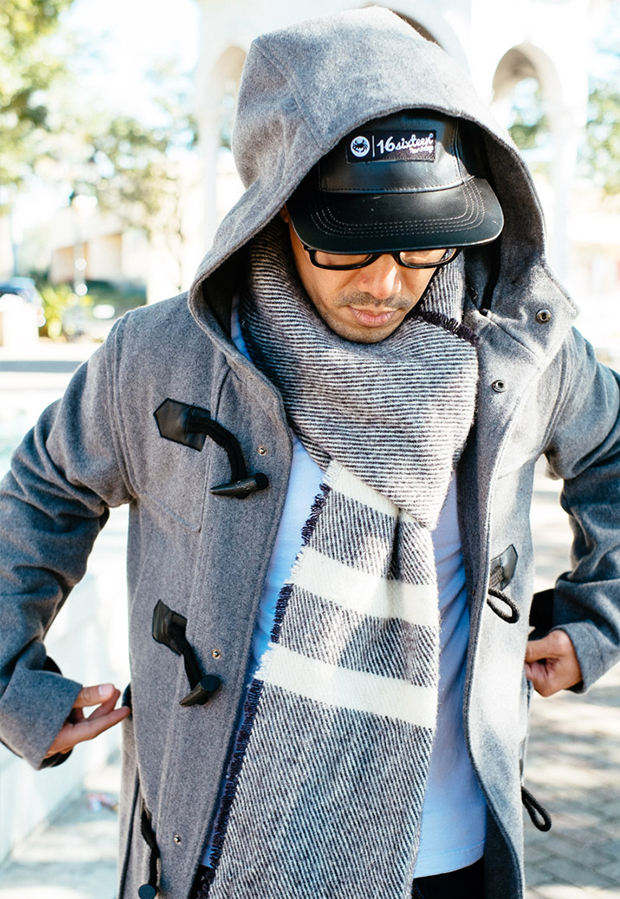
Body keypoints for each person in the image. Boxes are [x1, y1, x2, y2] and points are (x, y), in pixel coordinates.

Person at [1, 8, 619, 899]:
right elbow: (40, 493)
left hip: (447, 861)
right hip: (219, 857)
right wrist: (14, 686)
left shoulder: (520, 353)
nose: (385, 282)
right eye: (348, 243)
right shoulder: (163, 356)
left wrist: (597, 619)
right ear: (278, 207)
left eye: (421, 241)